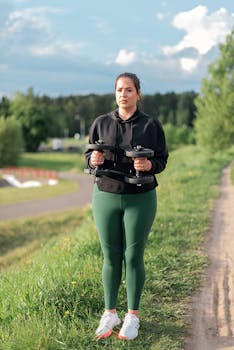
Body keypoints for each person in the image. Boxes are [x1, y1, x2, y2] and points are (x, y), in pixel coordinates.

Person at [85, 72, 168, 340]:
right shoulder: (100, 123)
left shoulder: (151, 126)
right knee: (110, 256)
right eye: (120, 89)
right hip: (106, 195)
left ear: (138, 94)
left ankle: (132, 316)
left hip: (140, 198)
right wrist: (94, 160)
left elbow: (162, 159)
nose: (124, 94)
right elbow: (89, 156)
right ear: (115, 93)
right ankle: (110, 312)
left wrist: (149, 165)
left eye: (129, 90)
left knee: (133, 256)